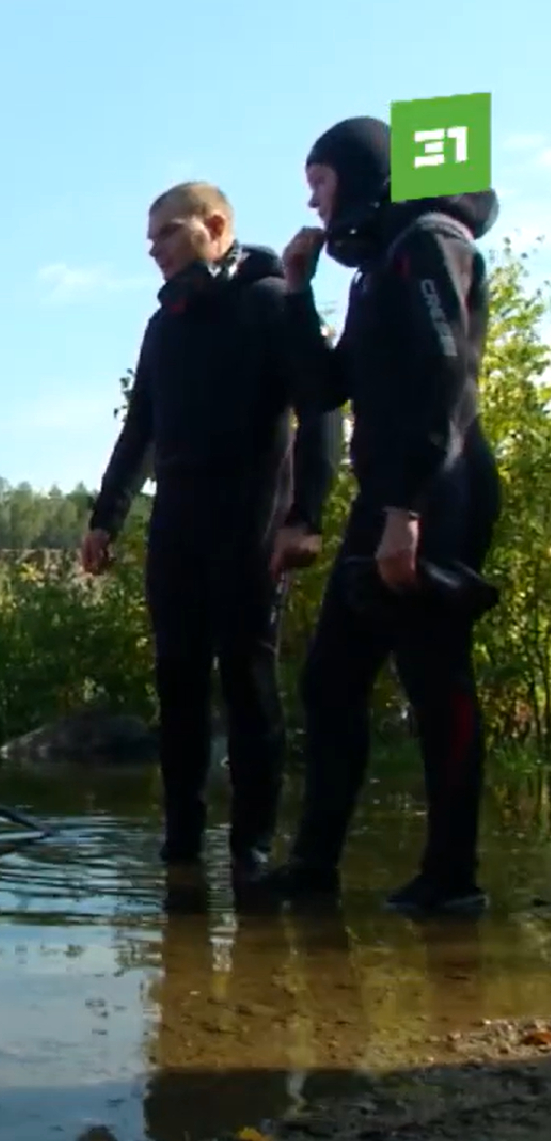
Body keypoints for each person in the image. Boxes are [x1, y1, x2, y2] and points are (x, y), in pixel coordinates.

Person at [256, 115, 502, 915]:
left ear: (358, 176)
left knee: (435, 679)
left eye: (321, 183)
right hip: (389, 490)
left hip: (438, 485)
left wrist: (407, 509)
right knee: (331, 680)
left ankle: (452, 879)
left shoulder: (430, 240)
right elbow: (327, 388)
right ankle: (315, 864)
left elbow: (444, 371)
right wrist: (298, 292)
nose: (314, 203)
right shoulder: (377, 268)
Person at [80, 180, 342, 879]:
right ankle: (183, 842)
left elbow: (320, 410)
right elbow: (140, 429)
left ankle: (251, 847)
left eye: (167, 233)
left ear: (215, 225)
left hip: (252, 523)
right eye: (150, 239)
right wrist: (105, 517)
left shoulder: (269, 300)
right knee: (179, 683)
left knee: (251, 684)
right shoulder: (164, 323)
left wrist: (305, 517)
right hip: (178, 527)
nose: (154, 251)